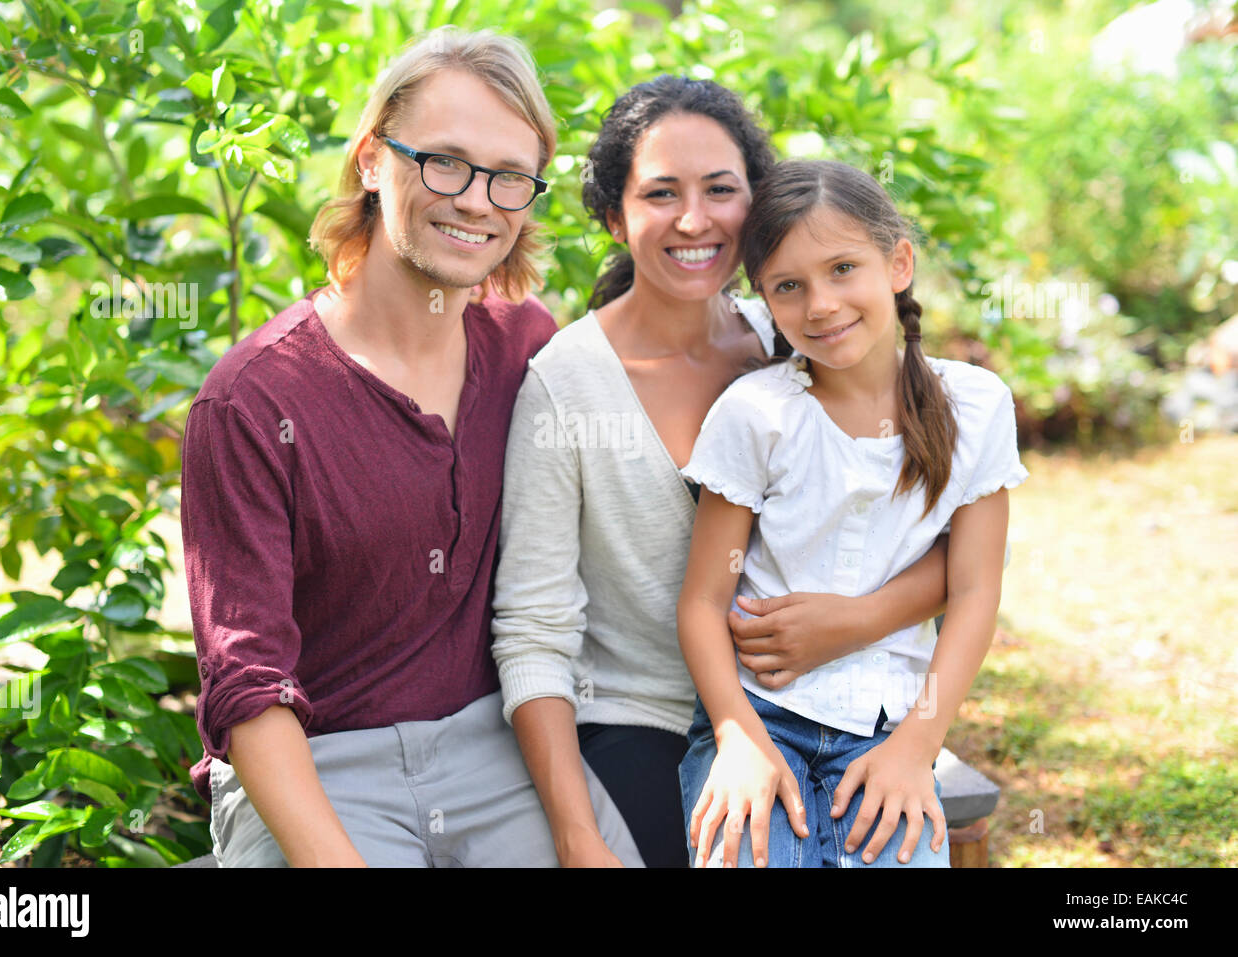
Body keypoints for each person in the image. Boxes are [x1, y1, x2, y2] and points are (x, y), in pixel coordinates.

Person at [180, 27, 639, 867]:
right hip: (319, 766)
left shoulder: (525, 347)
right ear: (370, 159)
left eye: (510, 178)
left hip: (496, 751)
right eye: (445, 162)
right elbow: (246, 688)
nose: (477, 200)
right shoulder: (250, 402)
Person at [490, 78, 953, 868]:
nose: (695, 219)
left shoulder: (804, 330)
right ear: (614, 216)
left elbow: (957, 548)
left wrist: (859, 618)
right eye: (661, 193)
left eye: (720, 190)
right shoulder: (565, 385)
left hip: (815, 704)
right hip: (642, 717)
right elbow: (533, 632)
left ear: (757, 206)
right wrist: (577, 833)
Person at [676, 159, 1029, 868]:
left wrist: (917, 747)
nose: (821, 304)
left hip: (891, 726)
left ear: (898, 262)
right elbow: (701, 603)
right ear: (765, 301)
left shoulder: (977, 406)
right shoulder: (757, 414)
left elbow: (974, 590)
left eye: (843, 268)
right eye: (788, 286)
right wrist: (738, 738)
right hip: (758, 715)